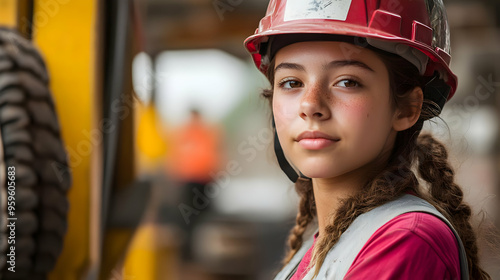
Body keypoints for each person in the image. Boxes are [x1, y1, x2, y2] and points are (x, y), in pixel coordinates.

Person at [244, 0, 491, 279]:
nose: (310, 105)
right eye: (292, 83)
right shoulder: (320, 251)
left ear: (407, 107)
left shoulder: (407, 240)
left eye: (348, 81)